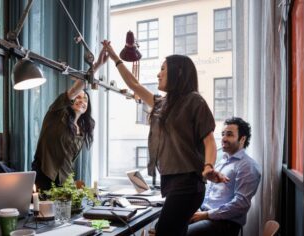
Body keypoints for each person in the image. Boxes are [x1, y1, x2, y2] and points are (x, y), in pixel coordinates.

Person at [102, 40, 228, 236]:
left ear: (178, 73)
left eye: (163, 69)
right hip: (172, 182)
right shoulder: (161, 104)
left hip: (188, 183)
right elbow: (133, 84)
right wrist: (113, 56)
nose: (158, 74)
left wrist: (209, 166)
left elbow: (209, 139)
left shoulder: (194, 101)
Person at [32, 49, 108, 191]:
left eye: (85, 99)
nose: (81, 100)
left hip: (65, 182)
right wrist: (97, 65)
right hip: (44, 176)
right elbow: (73, 90)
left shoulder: (83, 129)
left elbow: (68, 160)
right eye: (78, 97)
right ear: (71, 101)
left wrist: (72, 187)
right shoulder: (56, 113)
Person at [187, 117, 261, 236]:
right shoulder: (223, 161)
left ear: (242, 139)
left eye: (229, 135)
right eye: (223, 134)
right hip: (206, 215)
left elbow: (241, 205)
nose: (224, 139)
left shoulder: (248, 166)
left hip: (224, 224)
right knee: (164, 226)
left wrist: (206, 215)